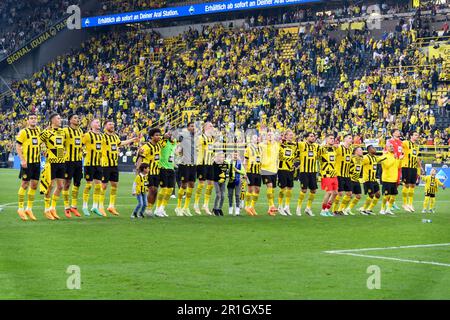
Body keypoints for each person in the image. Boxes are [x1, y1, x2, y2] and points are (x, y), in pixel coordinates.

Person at [100, 119, 139, 216]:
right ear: (105, 126)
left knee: (114, 185)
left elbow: (120, 143)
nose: (112, 126)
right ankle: (100, 207)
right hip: (105, 164)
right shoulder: (102, 136)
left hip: (114, 164)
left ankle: (111, 206)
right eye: (110, 124)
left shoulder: (114, 136)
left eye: (113, 124)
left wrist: (132, 140)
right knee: (104, 186)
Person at [39, 113, 66, 220]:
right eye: (58, 118)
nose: (60, 120)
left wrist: (64, 151)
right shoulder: (46, 132)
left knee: (60, 186)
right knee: (50, 186)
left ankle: (52, 208)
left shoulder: (62, 132)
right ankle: (46, 210)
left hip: (61, 162)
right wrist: (43, 150)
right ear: (52, 120)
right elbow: (38, 142)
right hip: (51, 162)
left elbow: (65, 144)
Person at [15, 113, 41, 221]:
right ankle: (20, 208)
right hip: (27, 162)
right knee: (25, 184)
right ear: (27, 120)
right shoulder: (23, 132)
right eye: (31, 118)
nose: (33, 120)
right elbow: (18, 146)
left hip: (37, 162)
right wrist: (22, 160)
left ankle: (29, 208)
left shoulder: (39, 131)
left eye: (35, 118)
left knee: (34, 185)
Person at [135, 128, 165, 217]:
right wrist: (138, 171)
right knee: (151, 189)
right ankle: (147, 209)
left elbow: (167, 139)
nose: (158, 136)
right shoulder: (146, 147)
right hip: (148, 172)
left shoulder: (159, 145)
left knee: (155, 190)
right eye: (156, 135)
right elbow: (140, 158)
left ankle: (150, 209)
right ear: (151, 136)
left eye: (159, 135)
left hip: (157, 171)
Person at [81, 118, 104, 217]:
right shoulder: (87, 135)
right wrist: (83, 152)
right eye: (96, 122)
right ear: (91, 125)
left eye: (99, 122)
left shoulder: (101, 136)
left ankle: (95, 206)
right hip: (89, 163)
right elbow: (79, 146)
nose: (99, 123)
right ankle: (84, 206)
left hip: (98, 164)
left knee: (99, 186)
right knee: (89, 185)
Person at [62, 114, 83, 218]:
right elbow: (60, 144)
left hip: (78, 161)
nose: (77, 119)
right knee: (67, 183)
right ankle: (66, 207)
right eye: (75, 118)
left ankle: (74, 206)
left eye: (78, 118)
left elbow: (79, 145)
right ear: (70, 120)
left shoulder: (80, 131)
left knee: (77, 183)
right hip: (68, 161)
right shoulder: (65, 131)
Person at [175, 122, 197, 217]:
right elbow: (178, 145)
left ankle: (186, 207)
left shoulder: (195, 138)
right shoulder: (183, 136)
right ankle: (178, 207)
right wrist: (178, 151)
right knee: (183, 185)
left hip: (193, 164)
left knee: (191, 184)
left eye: (194, 126)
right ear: (188, 128)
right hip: (185, 164)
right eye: (191, 126)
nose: (193, 128)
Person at [194, 122, 215, 215]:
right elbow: (197, 149)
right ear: (205, 127)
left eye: (212, 126)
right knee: (201, 184)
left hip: (210, 163)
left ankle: (205, 204)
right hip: (202, 163)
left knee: (211, 184)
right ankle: (196, 204)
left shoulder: (212, 138)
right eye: (210, 126)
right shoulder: (201, 138)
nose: (212, 127)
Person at [296, 132, 319, 216]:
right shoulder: (301, 144)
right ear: (306, 138)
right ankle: (298, 208)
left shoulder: (316, 146)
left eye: (314, 136)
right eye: (311, 136)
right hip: (304, 171)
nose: (313, 138)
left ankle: (308, 208)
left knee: (313, 190)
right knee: (304, 190)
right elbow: (293, 147)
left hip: (313, 171)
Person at [155, 130, 177, 217]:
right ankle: (157, 209)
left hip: (171, 168)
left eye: (173, 134)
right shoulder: (163, 142)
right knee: (163, 189)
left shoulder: (174, 143)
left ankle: (162, 209)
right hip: (163, 168)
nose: (172, 136)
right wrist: (164, 136)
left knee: (170, 190)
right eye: (170, 134)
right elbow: (159, 142)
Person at [277, 129, 297, 216]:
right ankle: (280, 206)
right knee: (283, 188)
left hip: (290, 170)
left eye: (292, 135)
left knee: (290, 188)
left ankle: (287, 206)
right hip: (282, 169)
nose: (291, 136)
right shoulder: (280, 144)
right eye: (289, 135)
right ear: (285, 136)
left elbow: (295, 156)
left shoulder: (294, 145)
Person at [380, 142, 403, 215]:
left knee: (393, 196)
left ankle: (388, 209)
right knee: (386, 195)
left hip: (394, 179)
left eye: (392, 146)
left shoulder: (394, 156)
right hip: (387, 179)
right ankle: (382, 209)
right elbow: (387, 165)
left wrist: (399, 159)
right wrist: (394, 158)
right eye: (390, 146)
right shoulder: (385, 156)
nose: (392, 147)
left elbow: (398, 166)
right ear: (386, 148)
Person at [332, 134, 353, 215]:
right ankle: (334, 211)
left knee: (349, 194)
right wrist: (334, 144)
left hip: (347, 175)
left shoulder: (350, 149)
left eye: (351, 138)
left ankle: (340, 209)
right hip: (339, 174)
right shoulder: (339, 147)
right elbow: (331, 147)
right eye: (349, 138)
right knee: (339, 193)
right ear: (345, 140)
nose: (351, 139)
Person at [360, 145, 384, 215]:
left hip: (374, 180)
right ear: (369, 150)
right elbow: (359, 162)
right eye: (373, 148)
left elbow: (382, 158)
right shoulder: (365, 158)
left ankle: (369, 209)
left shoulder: (375, 158)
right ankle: (363, 209)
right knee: (371, 195)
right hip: (368, 180)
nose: (375, 149)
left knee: (378, 194)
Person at [260, 130, 279, 216]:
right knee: (270, 186)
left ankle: (269, 209)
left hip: (274, 170)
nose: (270, 136)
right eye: (268, 135)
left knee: (272, 189)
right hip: (265, 169)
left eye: (271, 135)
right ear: (266, 136)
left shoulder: (276, 145)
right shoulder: (262, 145)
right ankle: (272, 205)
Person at [318, 134, 338, 217]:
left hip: (334, 174)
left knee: (335, 193)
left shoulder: (334, 149)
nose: (332, 140)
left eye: (333, 138)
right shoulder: (322, 149)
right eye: (330, 138)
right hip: (326, 174)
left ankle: (327, 210)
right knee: (329, 192)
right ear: (326, 140)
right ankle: (322, 210)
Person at [401, 131, 421, 212]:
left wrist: (419, 166)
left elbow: (416, 157)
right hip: (406, 166)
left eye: (417, 135)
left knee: (413, 185)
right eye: (415, 135)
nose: (417, 136)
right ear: (411, 136)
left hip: (413, 167)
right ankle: (404, 204)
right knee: (406, 185)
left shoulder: (416, 146)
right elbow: (399, 146)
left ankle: (410, 203)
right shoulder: (405, 143)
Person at [244, 134, 262, 216]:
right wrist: (244, 172)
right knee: (250, 189)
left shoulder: (260, 148)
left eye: (257, 137)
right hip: (250, 171)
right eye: (254, 137)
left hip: (258, 171)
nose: (256, 139)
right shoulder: (248, 148)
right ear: (251, 139)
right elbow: (245, 160)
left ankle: (252, 207)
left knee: (257, 189)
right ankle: (247, 206)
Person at [344, 146, 364, 216]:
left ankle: (348, 209)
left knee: (358, 196)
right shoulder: (351, 158)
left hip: (356, 179)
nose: (362, 151)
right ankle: (342, 209)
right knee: (349, 195)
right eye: (360, 150)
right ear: (356, 151)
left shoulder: (361, 159)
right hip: (350, 179)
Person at [212, 152, 229, 216]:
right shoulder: (215, 164)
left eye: (224, 157)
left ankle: (219, 208)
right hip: (216, 181)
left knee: (223, 196)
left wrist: (225, 178)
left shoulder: (225, 164)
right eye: (222, 157)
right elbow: (214, 173)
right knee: (218, 195)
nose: (223, 158)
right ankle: (215, 209)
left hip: (223, 181)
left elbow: (226, 172)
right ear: (218, 157)